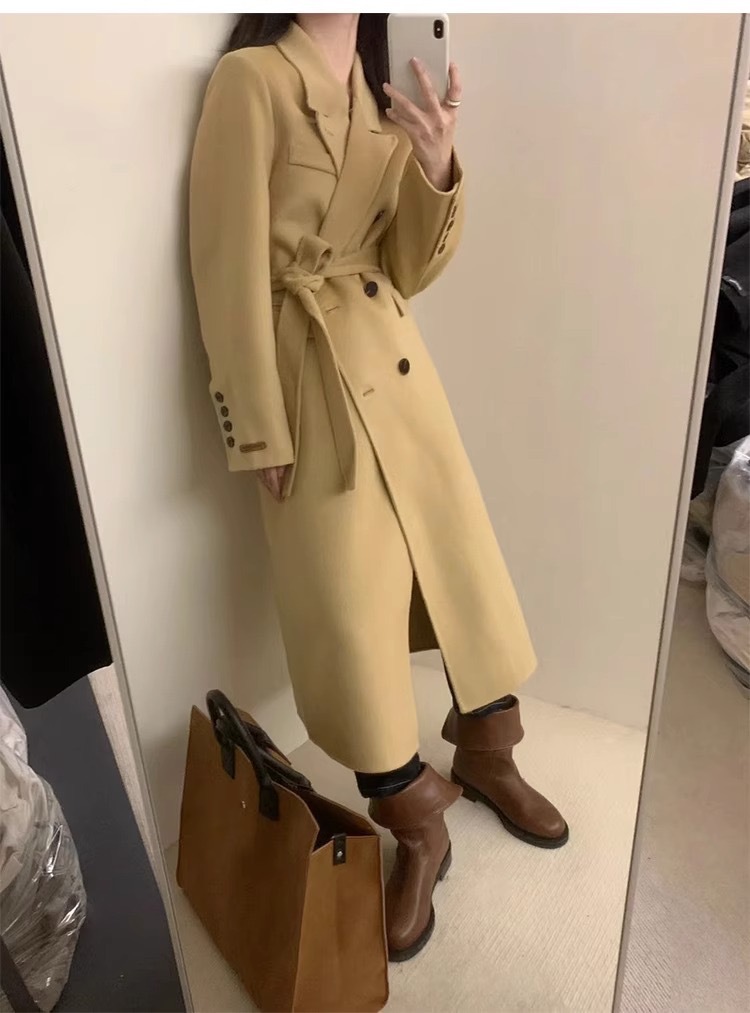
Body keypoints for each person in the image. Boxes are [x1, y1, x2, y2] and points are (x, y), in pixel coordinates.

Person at [189, 12, 568, 962]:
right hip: (308, 381)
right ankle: (417, 823)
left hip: (395, 367)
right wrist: (255, 422)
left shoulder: (382, 84)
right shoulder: (251, 81)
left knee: (459, 571)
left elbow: (406, 266)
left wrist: (436, 165)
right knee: (351, 614)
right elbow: (225, 266)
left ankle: (487, 751)